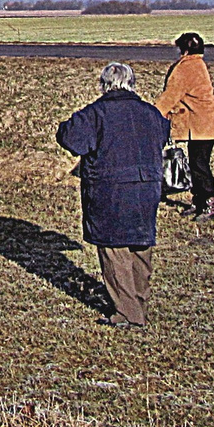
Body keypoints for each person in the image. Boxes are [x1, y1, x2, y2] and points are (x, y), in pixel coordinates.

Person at [56, 62, 169, 329]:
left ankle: (128, 314)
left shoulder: (96, 113)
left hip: (111, 189)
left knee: (114, 249)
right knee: (141, 246)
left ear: (104, 84)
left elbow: (72, 140)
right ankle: (138, 305)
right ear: (132, 83)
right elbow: (163, 137)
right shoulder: (151, 113)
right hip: (148, 187)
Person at [154, 32, 214, 221]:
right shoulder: (199, 64)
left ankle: (209, 201)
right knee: (196, 163)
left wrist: (152, 114)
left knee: (200, 165)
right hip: (206, 123)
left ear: (183, 49)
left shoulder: (186, 67)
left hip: (201, 124)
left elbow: (170, 95)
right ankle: (199, 201)